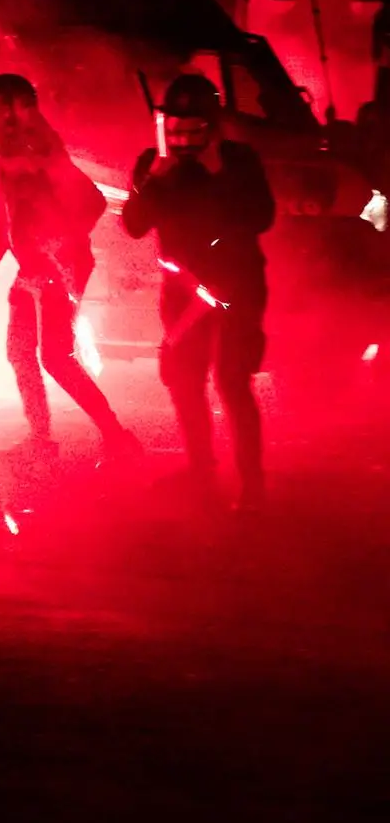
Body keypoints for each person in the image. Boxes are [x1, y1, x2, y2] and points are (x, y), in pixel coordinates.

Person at [0, 74, 142, 465]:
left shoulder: (46, 154)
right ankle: (41, 439)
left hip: (60, 269)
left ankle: (116, 436)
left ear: (6, 112)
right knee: (20, 352)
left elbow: (93, 202)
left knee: (55, 357)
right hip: (33, 268)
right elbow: (5, 218)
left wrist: (60, 245)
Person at [121, 73, 275, 510]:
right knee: (184, 380)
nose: (185, 139)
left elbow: (262, 216)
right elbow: (132, 225)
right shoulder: (155, 162)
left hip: (236, 286)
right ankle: (201, 472)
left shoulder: (239, 160)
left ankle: (252, 483)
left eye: (195, 129)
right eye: (177, 129)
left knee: (231, 380)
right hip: (182, 289)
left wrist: (219, 174)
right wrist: (154, 178)